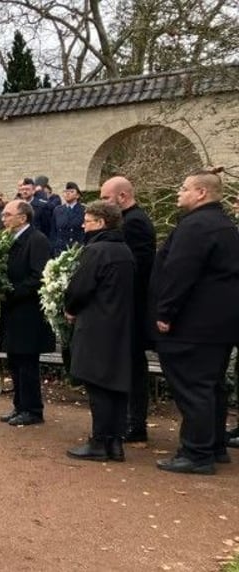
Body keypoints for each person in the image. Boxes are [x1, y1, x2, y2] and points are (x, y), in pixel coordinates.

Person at [150, 167, 239, 475]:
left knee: (193, 388)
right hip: (219, 325)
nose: (179, 192)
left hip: (193, 325)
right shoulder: (224, 224)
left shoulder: (196, 226)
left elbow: (180, 272)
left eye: (184, 188)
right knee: (211, 387)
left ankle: (196, 453)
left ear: (201, 192)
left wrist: (165, 313)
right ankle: (214, 447)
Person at [63, 201, 135, 462]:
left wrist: (69, 308)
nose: (83, 225)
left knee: (98, 386)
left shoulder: (96, 251)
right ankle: (115, 442)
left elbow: (80, 288)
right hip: (120, 325)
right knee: (115, 386)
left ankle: (99, 441)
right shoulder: (125, 250)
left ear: (102, 223)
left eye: (88, 221)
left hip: (96, 325)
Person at [100, 176, 156, 443]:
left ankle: (135, 423)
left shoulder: (135, 223)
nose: (102, 204)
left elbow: (138, 267)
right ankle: (129, 421)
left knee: (133, 366)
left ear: (122, 197)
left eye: (106, 198)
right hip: (126, 306)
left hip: (132, 308)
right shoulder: (128, 220)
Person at [0, 199, 55, 426]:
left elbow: (38, 277)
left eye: (7, 215)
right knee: (15, 360)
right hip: (13, 310)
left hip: (28, 312)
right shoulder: (8, 240)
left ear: (23, 217)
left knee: (27, 362)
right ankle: (19, 405)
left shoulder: (37, 240)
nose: (3, 219)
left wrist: (10, 292)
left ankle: (33, 409)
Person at [51, 182, 85, 255]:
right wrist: (54, 246)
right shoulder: (58, 210)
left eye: (71, 192)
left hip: (76, 249)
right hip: (60, 249)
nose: (67, 193)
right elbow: (53, 230)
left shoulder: (83, 210)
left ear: (78, 195)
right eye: (65, 192)